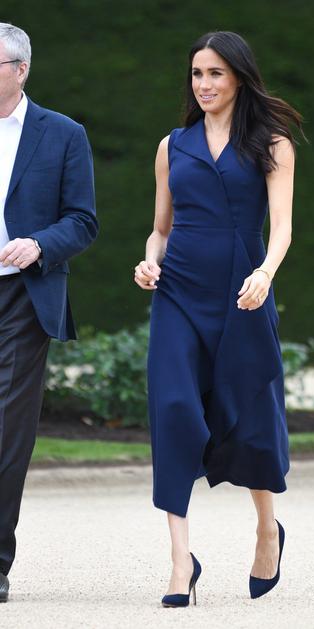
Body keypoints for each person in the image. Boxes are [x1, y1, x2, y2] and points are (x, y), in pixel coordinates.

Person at [135, 30, 302, 607]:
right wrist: (150, 262)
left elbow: (282, 226)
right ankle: (181, 562)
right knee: (173, 409)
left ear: (239, 77)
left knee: (250, 412)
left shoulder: (272, 143)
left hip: (242, 293)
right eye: (197, 74)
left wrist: (265, 274)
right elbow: (160, 228)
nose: (203, 84)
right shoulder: (172, 146)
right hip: (178, 292)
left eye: (215, 73)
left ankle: (267, 529)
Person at [0, 23, 98, 603]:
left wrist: (39, 244)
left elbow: (82, 221)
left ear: (21, 70)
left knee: (7, 432)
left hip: (22, 296)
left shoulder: (62, 134)